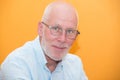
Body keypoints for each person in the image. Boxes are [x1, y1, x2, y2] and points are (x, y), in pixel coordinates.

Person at [1, 0, 88, 80]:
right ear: (41, 29)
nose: (62, 39)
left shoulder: (76, 65)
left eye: (70, 31)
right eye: (56, 28)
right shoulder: (16, 64)